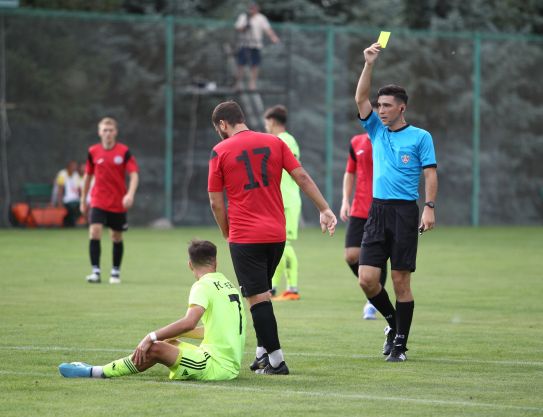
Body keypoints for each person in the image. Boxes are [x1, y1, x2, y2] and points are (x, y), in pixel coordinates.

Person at [208, 100, 336, 375]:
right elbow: (301, 176)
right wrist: (324, 209)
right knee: (263, 294)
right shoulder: (275, 142)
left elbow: (216, 202)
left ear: (222, 124)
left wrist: (225, 231)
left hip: (245, 236)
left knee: (256, 299)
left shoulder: (219, 150)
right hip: (276, 234)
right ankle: (260, 355)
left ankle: (277, 362)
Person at [354, 42, 438, 362]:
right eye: (379, 105)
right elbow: (360, 97)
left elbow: (430, 175)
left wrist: (429, 208)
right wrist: (369, 64)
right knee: (367, 279)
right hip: (376, 211)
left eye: (387, 105)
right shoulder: (376, 129)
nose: (380, 110)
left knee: (401, 280)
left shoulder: (420, 137)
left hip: (405, 212)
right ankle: (393, 324)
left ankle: (400, 344)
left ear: (401, 107)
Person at [58, 240, 246, 382]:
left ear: (190, 264)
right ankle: (108, 366)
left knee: (156, 347)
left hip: (216, 366)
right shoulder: (227, 284)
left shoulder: (202, 286)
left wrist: (151, 336)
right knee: (169, 341)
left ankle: (95, 372)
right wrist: (174, 334)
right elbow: (216, 328)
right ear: (215, 261)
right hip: (229, 364)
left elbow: (189, 321)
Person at [340, 101, 388, 320]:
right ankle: (374, 291)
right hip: (359, 209)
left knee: (379, 259)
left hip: (382, 208)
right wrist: (345, 200)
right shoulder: (356, 142)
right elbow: (350, 173)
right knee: (351, 255)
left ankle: (373, 301)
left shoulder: (387, 141)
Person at [80, 117, 139, 284]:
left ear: (115, 132)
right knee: (94, 231)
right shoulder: (93, 151)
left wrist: (130, 194)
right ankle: (95, 272)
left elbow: (134, 174)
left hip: (117, 202)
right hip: (98, 199)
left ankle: (115, 272)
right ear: (99, 132)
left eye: (110, 130)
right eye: (104, 130)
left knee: (116, 236)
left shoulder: (123, 151)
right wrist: (83, 199)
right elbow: (87, 176)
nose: (107, 133)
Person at [263, 105, 302, 301]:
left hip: (285, 200)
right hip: (284, 199)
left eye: (266, 122)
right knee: (278, 245)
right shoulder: (289, 140)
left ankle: (293, 289)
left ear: (271, 121)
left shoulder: (279, 140)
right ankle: (272, 287)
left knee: (284, 245)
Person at [234, 3, 280, 90]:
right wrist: (245, 26)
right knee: (241, 64)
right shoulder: (244, 17)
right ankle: (238, 83)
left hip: (255, 44)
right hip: (244, 44)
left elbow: (267, 29)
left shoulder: (261, 18)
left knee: (255, 65)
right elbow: (238, 28)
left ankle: (252, 84)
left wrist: (273, 37)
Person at [54, 160, 81, 227]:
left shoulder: (76, 175)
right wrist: (59, 201)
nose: (74, 168)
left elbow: (78, 188)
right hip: (66, 199)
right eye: (73, 166)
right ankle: (70, 223)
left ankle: (67, 221)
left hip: (76, 198)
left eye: (75, 166)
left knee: (81, 208)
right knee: (72, 208)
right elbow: (60, 188)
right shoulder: (62, 174)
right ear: (68, 166)